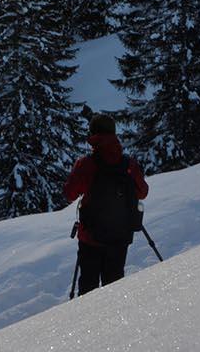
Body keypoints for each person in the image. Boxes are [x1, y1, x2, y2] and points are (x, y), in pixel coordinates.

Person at [62, 113, 148, 296]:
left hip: (90, 237)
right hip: (120, 236)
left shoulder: (86, 164)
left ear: (93, 135)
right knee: (115, 287)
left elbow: (69, 194)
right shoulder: (128, 164)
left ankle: (88, 324)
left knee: (88, 290)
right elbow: (143, 192)